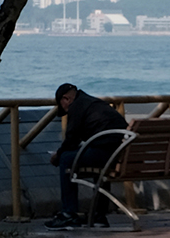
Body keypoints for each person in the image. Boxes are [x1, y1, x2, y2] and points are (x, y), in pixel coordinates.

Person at [43, 83, 127, 229]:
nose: (66, 111)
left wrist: (58, 156)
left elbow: (71, 140)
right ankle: (99, 215)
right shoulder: (95, 103)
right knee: (100, 167)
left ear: (66, 99)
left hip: (104, 153)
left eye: (63, 107)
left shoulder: (77, 106)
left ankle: (69, 213)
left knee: (66, 159)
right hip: (118, 154)